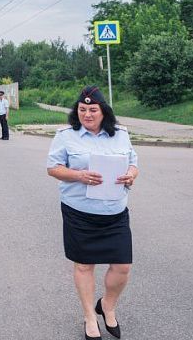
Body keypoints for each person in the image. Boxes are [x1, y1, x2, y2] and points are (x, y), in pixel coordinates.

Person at [46, 86, 139, 340]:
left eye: (93, 110)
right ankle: (89, 317)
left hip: (115, 212)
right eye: (82, 109)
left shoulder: (120, 134)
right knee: (84, 266)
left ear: (103, 112)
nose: (87, 114)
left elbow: (133, 163)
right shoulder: (66, 135)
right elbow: (53, 168)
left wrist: (131, 175)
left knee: (122, 267)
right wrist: (79, 175)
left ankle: (107, 305)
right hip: (79, 212)